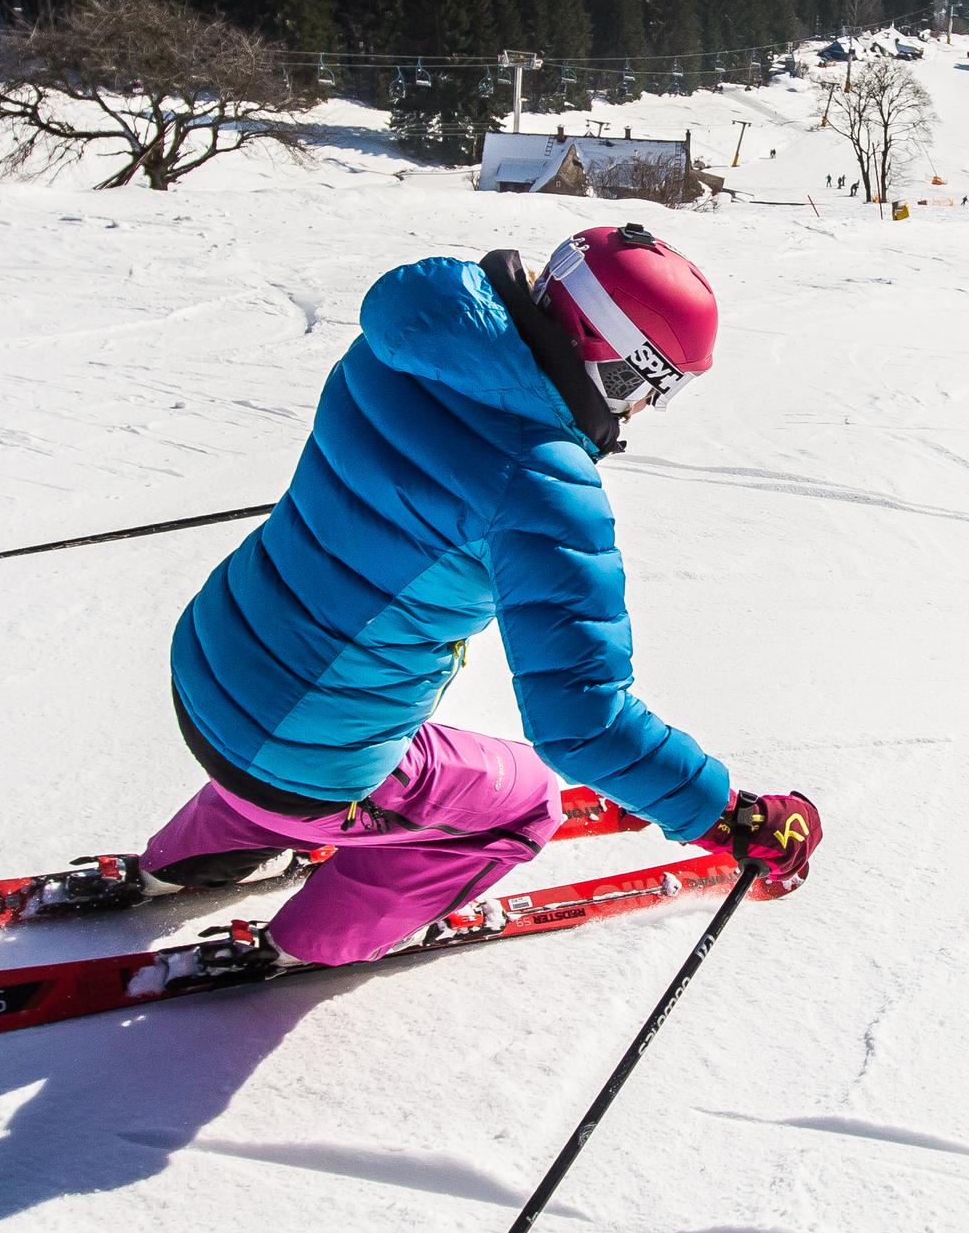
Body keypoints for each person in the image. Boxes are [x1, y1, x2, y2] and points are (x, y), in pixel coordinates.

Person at [141, 225, 822, 963]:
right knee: (526, 802)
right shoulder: (541, 486)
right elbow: (581, 723)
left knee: (315, 718)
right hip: (300, 757)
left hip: (211, 660)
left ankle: (197, 854)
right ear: (617, 361)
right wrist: (730, 818)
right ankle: (318, 941)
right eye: (658, 386)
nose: (649, 410)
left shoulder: (402, 346)